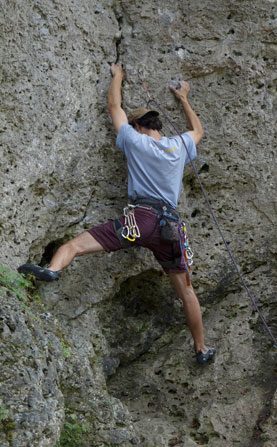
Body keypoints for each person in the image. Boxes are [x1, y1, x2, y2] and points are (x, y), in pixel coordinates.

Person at [18, 63, 215, 365]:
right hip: (171, 228)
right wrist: (184, 98)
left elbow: (114, 106)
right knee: (186, 291)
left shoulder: (134, 141)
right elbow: (198, 131)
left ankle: (53, 270)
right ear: (157, 126)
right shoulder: (178, 146)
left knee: (75, 245)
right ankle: (201, 349)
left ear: (138, 127)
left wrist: (117, 76)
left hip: (142, 219)